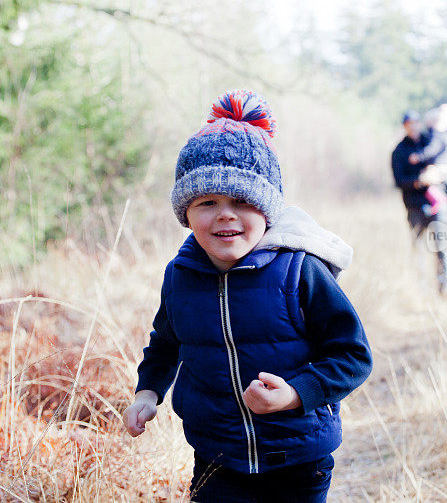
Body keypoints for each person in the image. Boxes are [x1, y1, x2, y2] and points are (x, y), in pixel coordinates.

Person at [123, 90, 373, 502]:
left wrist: (296, 393)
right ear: (185, 212)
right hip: (216, 457)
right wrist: (147, 392)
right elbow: (166, 343)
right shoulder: (181, 275)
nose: (225, 214)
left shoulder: (299, 271)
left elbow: (352, 356)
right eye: (207, 202)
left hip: (298, 459)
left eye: (242, 201)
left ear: (268, 210)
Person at [391, 109, 447, 296]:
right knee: (418, 250)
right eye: (408, 123)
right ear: (404, 126)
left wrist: (438, 174)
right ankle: (421, 291)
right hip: (414, 206)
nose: (413, 126)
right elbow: (398, 181)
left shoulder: (434, 141)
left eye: (415, 122)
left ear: (420, 123)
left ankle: (446, 290)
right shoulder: (398, 151)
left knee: (443, 247)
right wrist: (419, 181)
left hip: (438, 204)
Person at [409, 104, 447, 215]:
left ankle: (438, 201)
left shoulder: (437, 136)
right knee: (445, 185)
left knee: (427, 180)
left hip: (439, 165)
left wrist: (418, 156)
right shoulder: (446, 134)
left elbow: (431, 150)